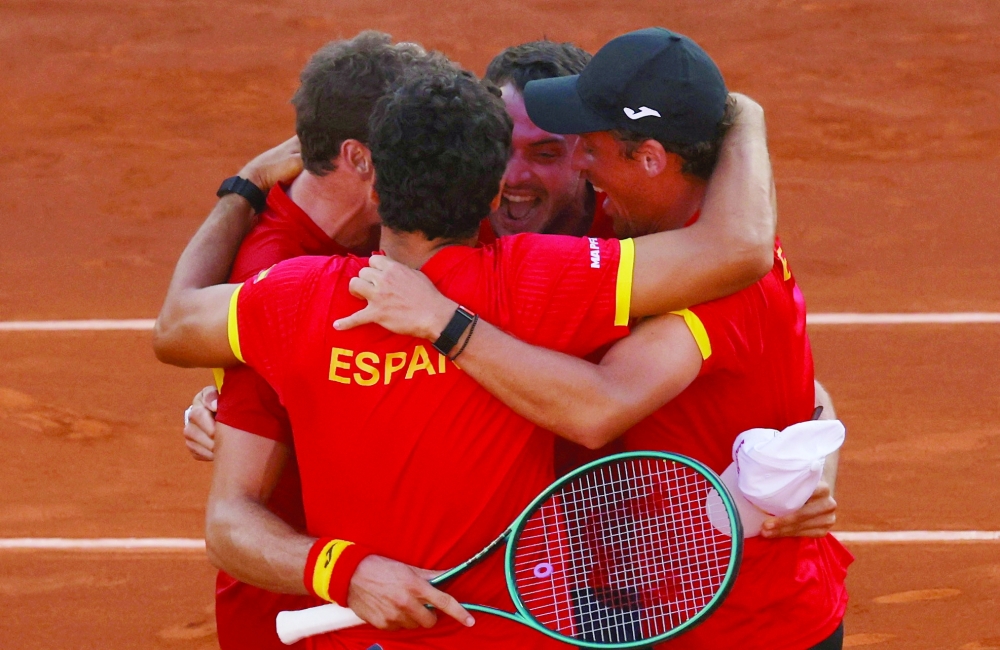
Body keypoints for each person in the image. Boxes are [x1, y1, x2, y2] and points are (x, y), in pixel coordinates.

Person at [153, 61, 777, 650]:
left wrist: (243, 188)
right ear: (491, 194)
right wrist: (743, 113)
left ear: (373, 176)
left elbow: (177, 326)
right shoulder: (537, 281)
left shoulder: (294, 299)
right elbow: (739, 248)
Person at [335, 29, 850, 650]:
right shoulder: (631, 232)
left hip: (732, 625)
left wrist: (445, 322)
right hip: (610, 598)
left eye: (583, 149)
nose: (579, 163)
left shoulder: (720, 283)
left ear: (651, 157)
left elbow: (598, 405)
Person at [177, 32, 453, 650]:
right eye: (411, 140)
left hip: (377, 594)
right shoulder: (273, 273)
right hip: (300, 613)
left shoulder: (377, 232)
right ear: (360, 158)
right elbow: (234, 512)